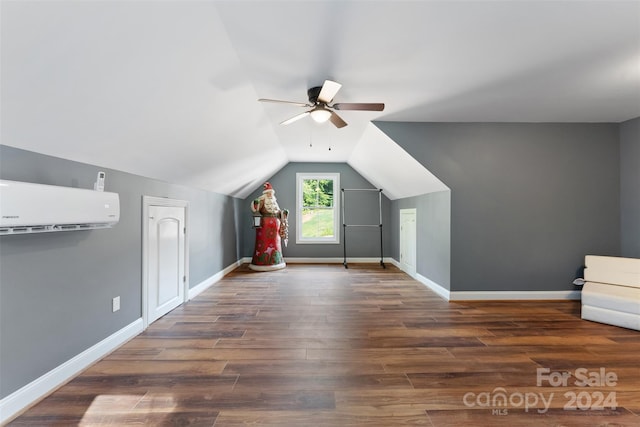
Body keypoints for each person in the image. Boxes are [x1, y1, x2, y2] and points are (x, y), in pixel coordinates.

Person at [249, 182, 288, 271]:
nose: (270, 194)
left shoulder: (274, 202)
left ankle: (276, 261)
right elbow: (255, 209)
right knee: (264, 243)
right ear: (266, 194)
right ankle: (262, 262)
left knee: (276, 244)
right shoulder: (262, 201)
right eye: (269, 193)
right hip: (264, 227)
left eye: (271, 193)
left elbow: (278, 212)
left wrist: (283, 213)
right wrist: (255, 203)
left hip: (275, 227)